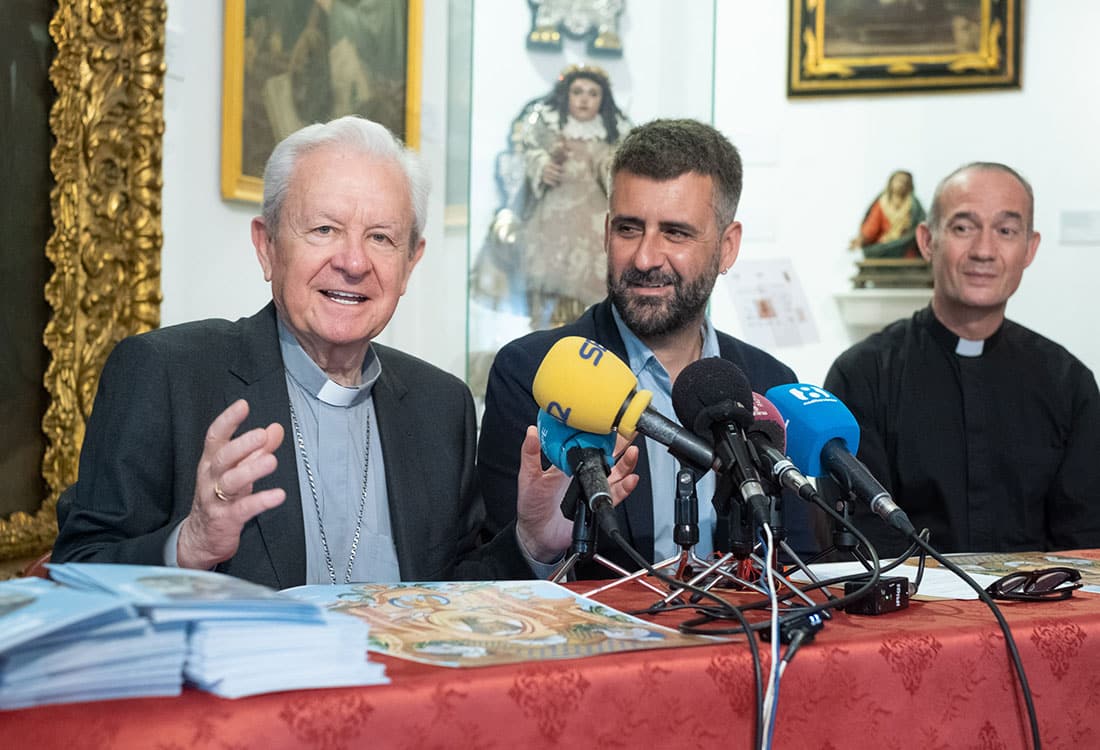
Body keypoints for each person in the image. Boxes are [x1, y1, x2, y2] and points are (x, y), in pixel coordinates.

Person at [52, 116, 636, 589]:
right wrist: (189, 546)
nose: (353, 262)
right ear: (266, 247)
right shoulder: (165, 374)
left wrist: (531, 542)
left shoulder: (441, 407)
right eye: (324, 230)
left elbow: (455, 601)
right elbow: (74, 575)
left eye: (381, 237)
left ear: (410, 263)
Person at [478, 119, 806, 578]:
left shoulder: (772, 385)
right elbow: (491, 585)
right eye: (629, 229)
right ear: (605, 232)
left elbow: (794, 565)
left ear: (727, 247)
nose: (645, 258)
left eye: (675, 233)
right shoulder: (532, 373)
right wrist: (537, 548)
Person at [825, 162, 1100, 556]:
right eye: (963, 228)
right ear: (927, 241)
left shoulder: (1069, 384)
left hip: (1040, 596)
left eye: (1006, 231)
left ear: (1030, 248)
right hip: (910, 595)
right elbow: (863, 542)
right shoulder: (861, 376)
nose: (984, 251)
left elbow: (1085, 540)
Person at [850, 169, 925, 259]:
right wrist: (861, 239)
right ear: (891, 182)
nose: (902, 184)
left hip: (906, 249)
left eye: (905, 182)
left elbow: (920, 225)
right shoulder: (882, 203)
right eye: (899, 181)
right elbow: (871, 226)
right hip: (885, 246)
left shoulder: (913, 205)